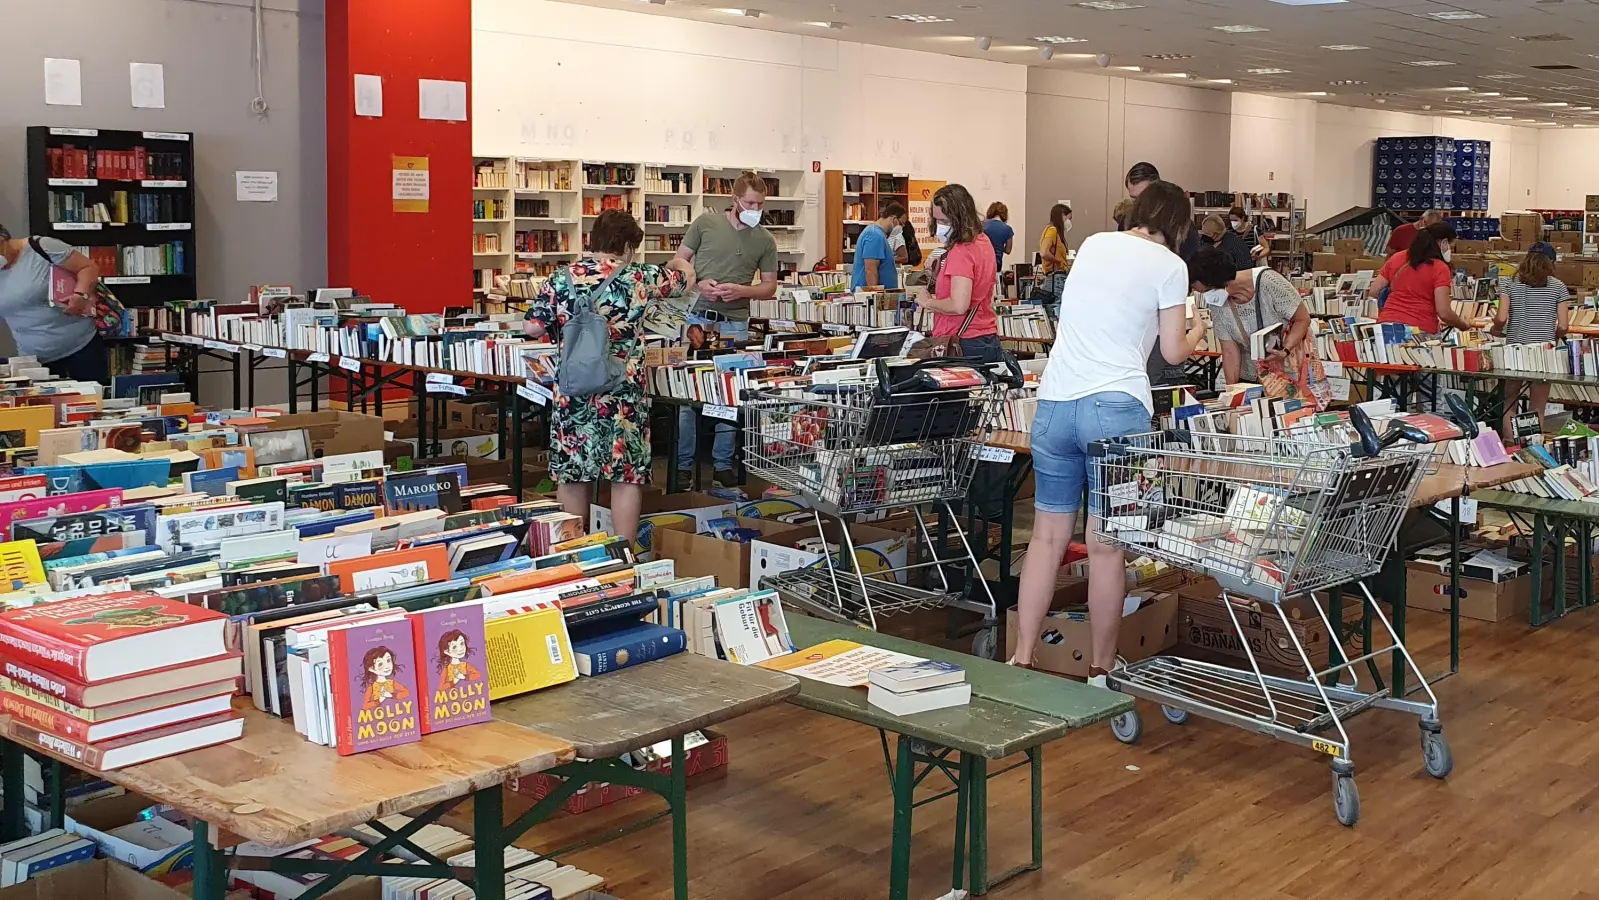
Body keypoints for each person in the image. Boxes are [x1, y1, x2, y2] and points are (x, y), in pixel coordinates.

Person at [1010, 180, 1209, 683]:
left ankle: (1023, 656)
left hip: (1054, 403)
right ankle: (1101, 669)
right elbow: (1170, 352)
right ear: (1179, 223)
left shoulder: (1095, 243)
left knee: (1046, 541)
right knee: (1106, 547)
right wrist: (1198, 331)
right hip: (1117, 408)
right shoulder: (1171, 267)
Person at [524, 209, 694, 544]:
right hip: (623, 391)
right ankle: (624, 557)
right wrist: (682, 264)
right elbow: (685, 281)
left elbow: (532, 327)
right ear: (628, 246)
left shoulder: (562, 278)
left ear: (593, 240)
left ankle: (569, 552)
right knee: (626, 476)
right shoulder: (640, 276)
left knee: (573, 474)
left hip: (574, 388)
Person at [673, 171, 778, 489]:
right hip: (697, 319)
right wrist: (695, 281)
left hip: (735, 322)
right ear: (734, 200)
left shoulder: (765, 239)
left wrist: (742, 291)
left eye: (760, 204)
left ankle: (722, 464)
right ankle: (682, 465)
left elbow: (770, 286)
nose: (755, 208)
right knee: (686, 393)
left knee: (729, 395)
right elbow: (678, 262)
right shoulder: (705, 224)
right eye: (749, 202)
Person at [1188, 248, 1311, 385]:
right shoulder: (1218, 303)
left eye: (1205, 291)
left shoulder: (1269, 282)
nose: (1206, 296)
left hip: (1289, 374)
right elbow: (1229, 351)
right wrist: (1232, 392)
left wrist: (1285, 349)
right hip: (1251, 378)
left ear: (1219, 281)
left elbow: (1302, 319)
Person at [0, 225, 105, 382]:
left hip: (80, 348)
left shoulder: (41, 247)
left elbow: (88, 267)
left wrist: (80, 294)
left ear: (2, 240)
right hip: (34, 359)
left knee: (92, 401)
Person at [1493, 242, 1571, 437]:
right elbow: (1563, 326)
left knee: (1510, 401)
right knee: (1538, 406)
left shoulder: (1508, 282)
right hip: (1543, 350)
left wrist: (1496, 329)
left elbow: (1502, 317)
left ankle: (1511, 443)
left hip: (1515, 348)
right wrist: (1554, 337)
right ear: (1551, 263)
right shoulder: (1558, 287)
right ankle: (1531, 447)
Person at [916, 184, 1000, 362]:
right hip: (985, 334)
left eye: (945, 222)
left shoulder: (961, 251)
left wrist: (928, 302)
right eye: (937, 220)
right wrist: (939, 277)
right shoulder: (983, 241)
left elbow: (959, 305)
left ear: (960, 218)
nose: (940, 227)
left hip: (961, 341)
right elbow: (973, 286)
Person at [1367, 222, 1473, 336]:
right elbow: (1444, 312)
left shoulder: (1397, 257)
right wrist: (1463, 325)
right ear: (1444, 243)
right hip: (1419, 330)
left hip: (1386, 326)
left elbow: (1374, 291)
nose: (1450, 251)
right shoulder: (1439, 267)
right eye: (1451, 246)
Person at [850, 201, 904, 291]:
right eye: (901, 223)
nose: (901, 227)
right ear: (894, 219)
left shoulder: (878, 234)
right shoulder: (875, 235)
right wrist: (876, 298)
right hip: (869, 298)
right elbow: (870, 270)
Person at [982, 202, 1015, 276]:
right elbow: (1008, 250)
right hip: (997, 264)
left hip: (983, 263)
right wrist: (999, 246)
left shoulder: (982, 225)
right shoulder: (1008, 229)